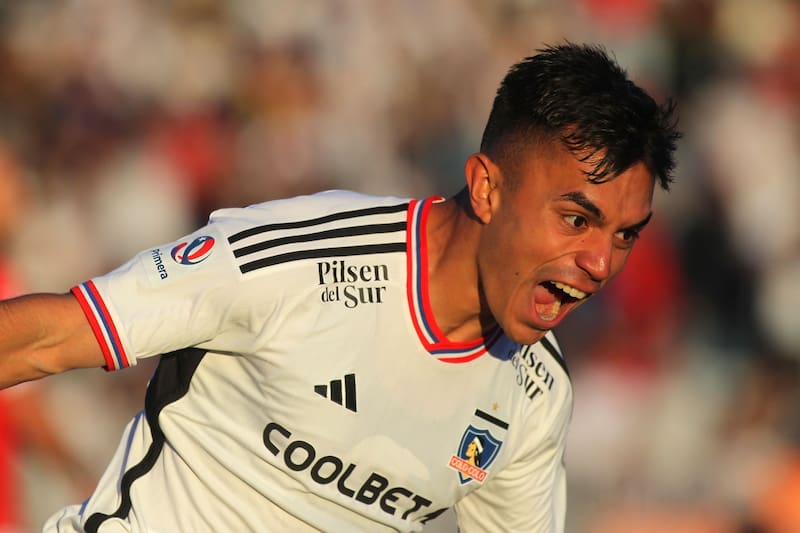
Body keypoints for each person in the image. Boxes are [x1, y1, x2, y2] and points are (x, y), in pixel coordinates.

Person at [0, 43, 679, 532]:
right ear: (486, 186)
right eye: (576, 219)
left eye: (625, 235)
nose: (600, 263)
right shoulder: (298, 261)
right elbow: (49, 339)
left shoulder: (536, 392)